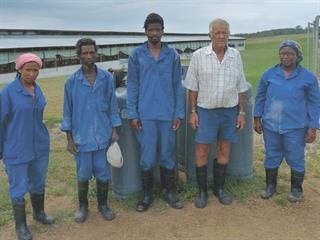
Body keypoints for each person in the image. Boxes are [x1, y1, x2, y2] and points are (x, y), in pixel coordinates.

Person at [183, 18, 248, 208]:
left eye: (224, 33)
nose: (221, 36)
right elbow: (192, 88)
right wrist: (193, 111)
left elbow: (241, 86)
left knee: (224, 149)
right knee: (202, 150)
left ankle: (219, 189)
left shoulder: (235, 56)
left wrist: (241, 112)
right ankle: (202, 191)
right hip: (206, 111)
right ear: (210, 34)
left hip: (229, 111)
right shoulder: (199, 56)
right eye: (217, 32)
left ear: (228, 35)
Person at [127, 13, 185, 212]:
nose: (154, 33)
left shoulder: (173, 55)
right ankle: (146, 195)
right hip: (145, 115)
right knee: (147, 156)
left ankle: (169, 192)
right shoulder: (136, 55)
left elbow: (178, 86)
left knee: (168, 154)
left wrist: (179, 113)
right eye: (150, 29)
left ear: (162, 31)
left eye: (157, 29)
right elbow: (132, 86)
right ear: (145, 31)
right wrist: (132, 114)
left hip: (168, 114)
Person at [61, 38, 121, 223]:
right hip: (82, 138)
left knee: (103, 173)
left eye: (91, 52)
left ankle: (103, 205)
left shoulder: (106, 78)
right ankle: (83, 207)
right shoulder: (71, 82)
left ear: (96, 53)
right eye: (84, 53)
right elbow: (67, 112)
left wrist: (114, 130)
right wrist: (70, 139)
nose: (88, 56)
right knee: (83, 174)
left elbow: (112, 105)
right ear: (78, 55)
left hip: (103, 136)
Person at [254, 40, 320, 202]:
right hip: (271, 126)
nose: (286, 56)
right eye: (283, 53)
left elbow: (314, 103)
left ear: (298, 56)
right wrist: (257, 118)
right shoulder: (268, 74)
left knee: (296, 158)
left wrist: (313, 127)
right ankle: (270, 187)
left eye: (290, 53)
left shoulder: (308, 78)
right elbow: (260, 97)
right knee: (271, 156)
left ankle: (296, 190)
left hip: (296, 127)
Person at [0, 53, 54, 240]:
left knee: (38, 181)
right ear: (19, 69)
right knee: (18, 186)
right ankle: (21, 226)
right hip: (16, 147)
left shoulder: (38, 90)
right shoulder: (8, 93)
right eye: (28, 70)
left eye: (35, 70)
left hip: (39, 145)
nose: (32, 74)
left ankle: (39, 214)